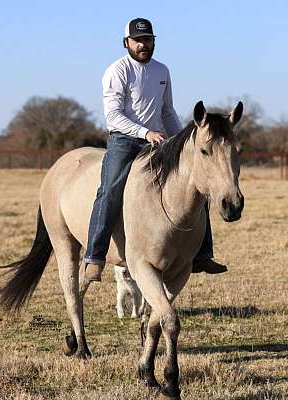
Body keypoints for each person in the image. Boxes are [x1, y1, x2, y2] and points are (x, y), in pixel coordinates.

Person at [83, 18, 227, 283]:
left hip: (159, 141)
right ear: (126, 42)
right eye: (138, 40)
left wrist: (185, 141)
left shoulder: (162, 71)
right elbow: (113, 116)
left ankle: (203, 254)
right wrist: (144, 132)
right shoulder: (117, 71)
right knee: (110, 190)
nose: (143, 45)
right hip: (125, 141)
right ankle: (94, 257)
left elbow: (167, 111)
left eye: (148, 40)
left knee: (198, 182)